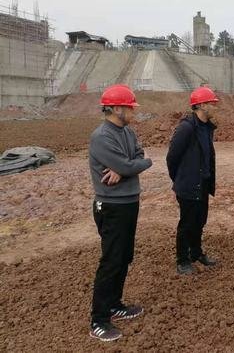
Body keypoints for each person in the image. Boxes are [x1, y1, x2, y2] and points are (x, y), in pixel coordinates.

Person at [88, 84, 153, 342]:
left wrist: (126, 168)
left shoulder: (128, 132)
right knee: (111, 260)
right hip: (112, 206)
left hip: (129, 202)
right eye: (130, 107)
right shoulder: (101, 136)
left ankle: (115, 304)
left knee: (124, 256)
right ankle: (98, 320)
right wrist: (130, 166)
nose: (133, 111)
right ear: (116, 109)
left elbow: (138, 156)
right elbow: (132, 163)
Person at [166, 86, 219, 275]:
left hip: (202, 184)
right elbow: (172, 157)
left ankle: (196, 253)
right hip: (188, 185)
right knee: (187, 224)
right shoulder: (186, 128)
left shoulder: (206, 127)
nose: (215, 107)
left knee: (200, 221)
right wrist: (181, 179)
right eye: (212, 103)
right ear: (202, 105)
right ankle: (182, 260)